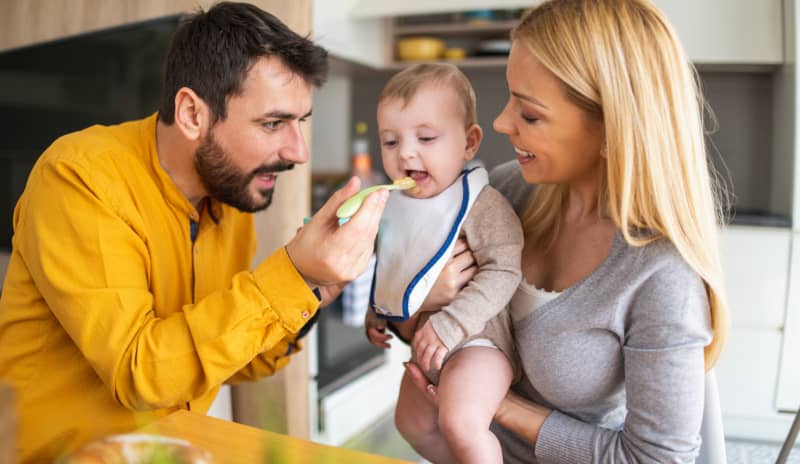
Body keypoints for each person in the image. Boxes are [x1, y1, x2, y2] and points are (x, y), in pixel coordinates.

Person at [0, 3, 388, 462]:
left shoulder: (227, 193)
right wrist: (292, 274)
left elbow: (243, 358)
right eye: (272, 123)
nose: (298, 151)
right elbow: (141, 373)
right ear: (191, 114)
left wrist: (314, 288)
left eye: (299, 122)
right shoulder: (80, 177)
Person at [404, 0, 730, 462]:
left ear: (613, 128)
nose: (500, 123)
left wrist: (494, 404)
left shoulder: (660, 277)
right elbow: (432, 334)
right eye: (510, 97)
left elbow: (655, 458)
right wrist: (424, 300)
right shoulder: (502, 194)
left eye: (530, 114)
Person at [364, 63, 524, 464]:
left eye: (426, 137)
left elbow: (505, 269)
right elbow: (395, 265)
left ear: (469, 143)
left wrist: (451, 324)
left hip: (478, 345)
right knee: (410, 424)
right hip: (425, 346)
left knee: (461, 424)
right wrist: (378, 311)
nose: (406, 153)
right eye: (390, 141)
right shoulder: (396, 205)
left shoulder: (479, 204)